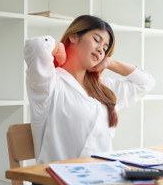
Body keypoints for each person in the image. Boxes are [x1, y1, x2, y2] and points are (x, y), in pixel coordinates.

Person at [24, 15, 155, 164]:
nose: (100, 49)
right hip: (58, 180)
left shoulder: (104, 88)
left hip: (102, 176)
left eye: (105, 48)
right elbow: (36, 46)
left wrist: (110, 62)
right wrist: (60, 48)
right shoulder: (48, 83)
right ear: (74, 36)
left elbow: (146, 82)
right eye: (96, 40)